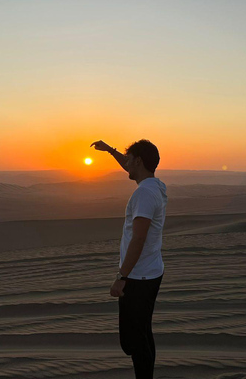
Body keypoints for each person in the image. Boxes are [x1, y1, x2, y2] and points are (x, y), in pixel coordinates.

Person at [90, 139, 167, 379]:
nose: (126, 164)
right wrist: (109, 150)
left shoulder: (144, 194)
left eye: (130, 159)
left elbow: (138, 239)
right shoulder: (155, 185)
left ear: (139, 161)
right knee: (143, 333)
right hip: (151, 271)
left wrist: (121, 276)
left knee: (134, 341)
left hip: (138, 276)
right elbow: (129, 165)